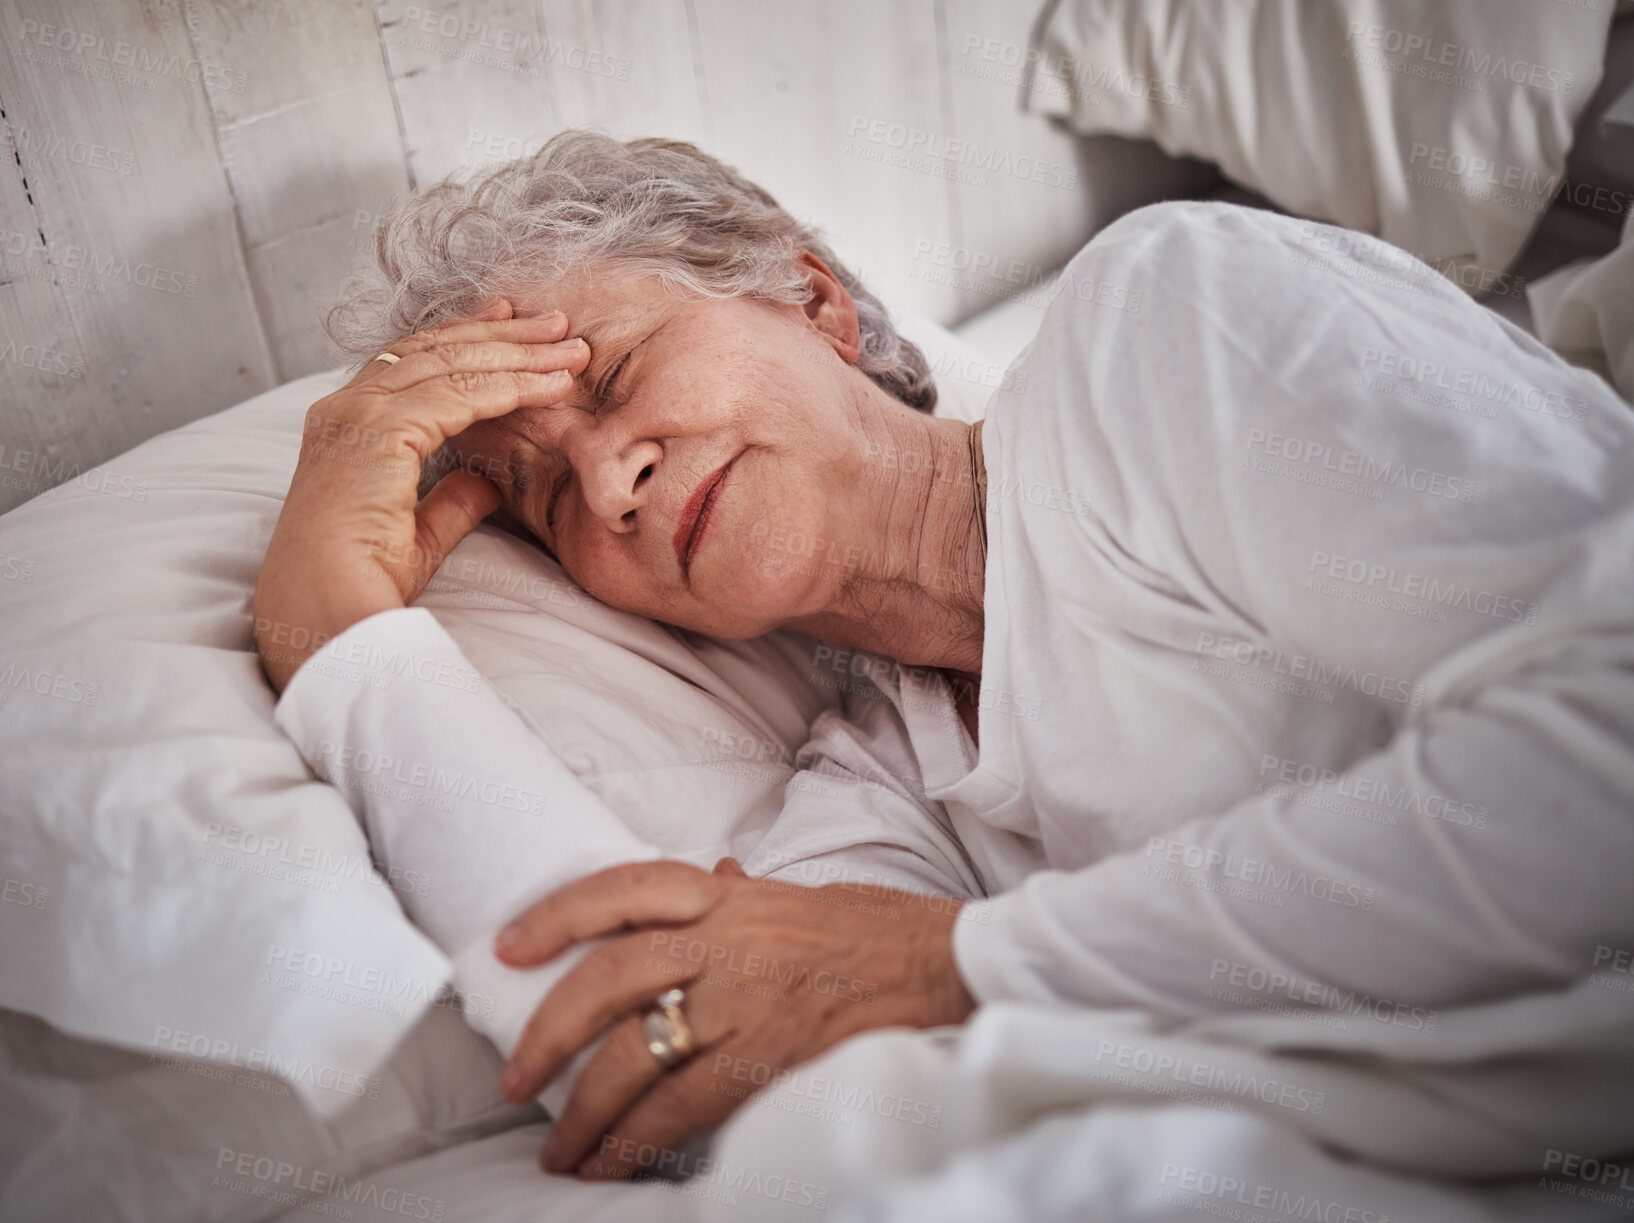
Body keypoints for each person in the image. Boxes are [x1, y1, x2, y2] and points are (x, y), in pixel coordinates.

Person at [253, 131, 1634, 1183]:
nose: (610, 476)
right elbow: (661, 1063)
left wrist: (968, 963)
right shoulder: (874, 787)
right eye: (554, 504)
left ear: (812, 304)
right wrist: (345, 640)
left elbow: (1602, 751)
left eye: (613, 379)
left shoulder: (1162, 324)